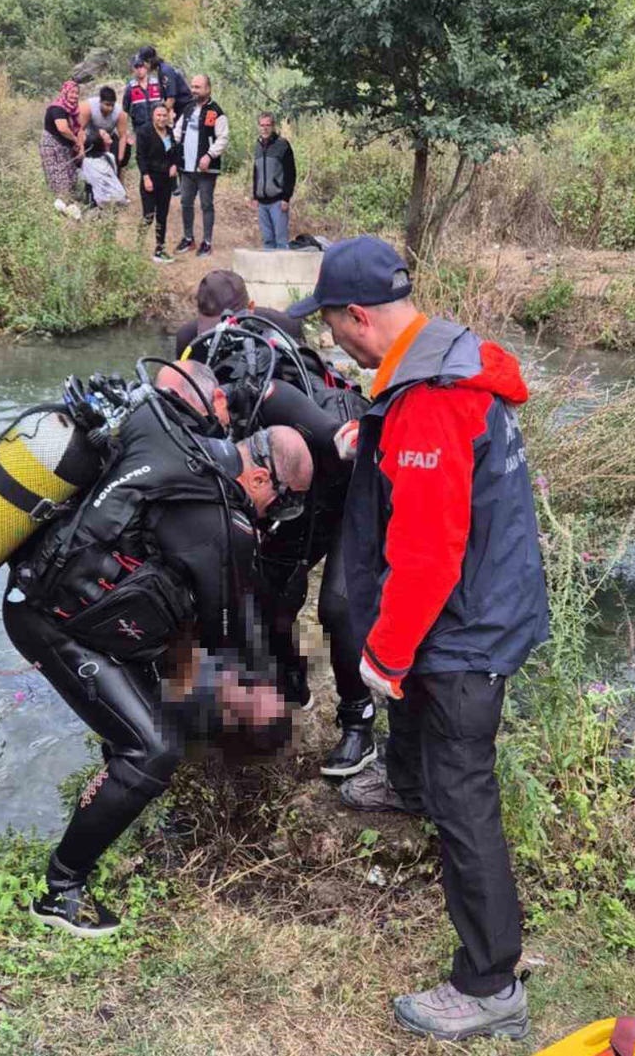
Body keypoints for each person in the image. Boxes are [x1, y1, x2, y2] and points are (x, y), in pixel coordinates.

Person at [288, 235, 550, 1043]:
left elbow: (430, 553)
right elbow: (432, 467)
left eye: (331, 324)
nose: (332, 339)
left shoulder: (434, 398)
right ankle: (404, 784)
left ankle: (490, 982)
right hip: (474, 602)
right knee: (412, 711)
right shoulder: (441, 356)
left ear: (358, 316)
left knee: (464, 792)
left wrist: (386, 651)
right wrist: (374, 441)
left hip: (466, 627)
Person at [4, 399, 314, 938]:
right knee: (153, 748)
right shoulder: (223, 521)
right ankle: (60, 889)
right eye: (280, 504)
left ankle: (122, 797)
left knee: (166, 713)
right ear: (260, 476)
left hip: (76, 606)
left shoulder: (181, 450)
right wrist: (273, 686)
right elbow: (226, 632)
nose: (273, 516)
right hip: (50, 621)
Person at [160, 358, 376, 776]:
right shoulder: (189, 429)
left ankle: (358, 723)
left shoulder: (266, 398)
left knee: (338, 606)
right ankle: (293, 684)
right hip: (289, 492)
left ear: (218, 399)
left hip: (351, 480)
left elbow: (346, 441)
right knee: (270, 595)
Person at [174, 269, 302, 360]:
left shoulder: (283, 328)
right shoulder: (188, 339)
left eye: (228, 328)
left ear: (251, 309)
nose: (217, 338)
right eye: (209, 331)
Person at [173, 74, 229, 257]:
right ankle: (188, 238)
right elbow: (177, 133)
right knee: (186, 203)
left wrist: (209, 155)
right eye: (192, 86)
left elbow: (223, 138)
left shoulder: (216, 112)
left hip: (206, 169)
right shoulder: (188, 108)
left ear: (208, 89)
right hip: (186, 167)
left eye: (198, 87)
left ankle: (207, 242)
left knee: (206, 204)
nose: (194, 90)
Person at [136, 104, 179, 263]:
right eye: (158, 115)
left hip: (166, 179)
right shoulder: (144, 132)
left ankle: (160, 249)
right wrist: (145, 177)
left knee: (162, 215)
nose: (161, 118)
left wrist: (174, 165)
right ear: (153, 116)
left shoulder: (169, 132)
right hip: (150, 178)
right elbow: (140, 156)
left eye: (164, 115)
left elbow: (174, 153)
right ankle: (138, 248)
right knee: (148, 215)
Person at [252, 112, 296, 250]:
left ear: (273, 126)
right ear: (258, 126)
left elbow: (290, 173)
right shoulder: (258, 146)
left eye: (268, 125)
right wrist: (255, 196)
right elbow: (256, 172)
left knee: (281, 241)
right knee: (267, 241)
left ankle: (283, 265)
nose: (265, 128)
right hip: (262, 203)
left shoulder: (282, 145)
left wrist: (286, 198)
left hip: (278, 202)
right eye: (262, 125)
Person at [40, 79, 83, 213]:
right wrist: (76, 141)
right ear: (65, 92)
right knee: (59, 176)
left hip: (65, 147)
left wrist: (79, 145)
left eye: (77, 93)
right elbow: (63, 129)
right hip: (52, 146)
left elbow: (80, 128)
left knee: (70, 175)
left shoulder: (73, 110)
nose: (75, 96)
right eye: (72, 92)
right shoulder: (57, 108)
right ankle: (62, 209)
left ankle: (68, 205)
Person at [79, 85, 130, 173]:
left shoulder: (120, 112)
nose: (110, 108)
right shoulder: (88, 107)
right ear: (100, 101)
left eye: (112, 105)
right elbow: (80, 130)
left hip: (109, 137)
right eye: (107, 105)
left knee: (115, 159)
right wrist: (81, 149)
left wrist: (119, 159)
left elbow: (123, 136)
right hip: (91, 137)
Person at [136, 45, 192, 119]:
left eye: (143, 64)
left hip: (185, 109)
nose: (143, 67)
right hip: (180, 110)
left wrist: (159, 117)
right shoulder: (161, 71)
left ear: (149, 61)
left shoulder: (165, 71)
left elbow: (171, 99)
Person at [80, 130, 128, 209]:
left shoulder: (86, 162)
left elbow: (86, 179)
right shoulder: (110, 157)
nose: (107, 134)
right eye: (104, 134)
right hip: (120, 196)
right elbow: (115, 173)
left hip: (102, 200)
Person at [122, 55, 164, 134]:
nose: (139, 69)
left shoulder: (157, 84)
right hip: (140, 130)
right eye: (136, 67)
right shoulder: (130, 88)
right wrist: (126, 132)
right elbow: (125, 111)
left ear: (146, 67)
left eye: (141, 66)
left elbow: (166, 104)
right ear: (133, 69)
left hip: (159, 129)